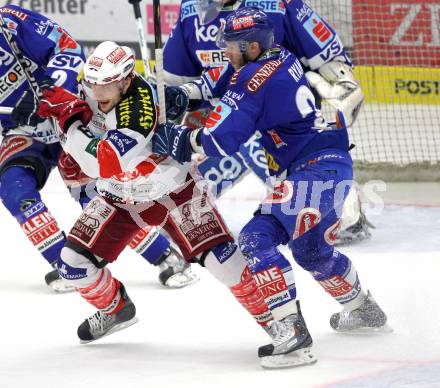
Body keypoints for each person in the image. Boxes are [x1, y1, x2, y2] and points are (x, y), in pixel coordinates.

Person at [153, 8, 389, 368]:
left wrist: (178, 137)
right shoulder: (279, 56)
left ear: (250, 46)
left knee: (255, 238)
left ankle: (292, 335)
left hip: (312, 172)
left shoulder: (253, 81)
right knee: (312, 253)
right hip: (329, 167)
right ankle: (364, 310)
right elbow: (218, 79)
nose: (226, 53)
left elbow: (219, 140)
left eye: (231, 46)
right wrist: (184, 93)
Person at [36, 41, 275, 360]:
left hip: (174, 192)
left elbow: (99, 163)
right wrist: (56, 106)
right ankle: (116, 310)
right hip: (119, 197)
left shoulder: (139, 105)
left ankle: (280, 323)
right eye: (92, 82)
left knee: (225, 265)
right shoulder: (89, 89)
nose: (97, 91)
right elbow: (66, 105)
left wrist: (71, 128)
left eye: (106, 84)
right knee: (72, 263)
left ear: (124, 80)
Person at [0, 5, 197, 292]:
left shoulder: (9, 21)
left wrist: (58, 93)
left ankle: (163, 256)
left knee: (97, 197)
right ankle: (64, 265)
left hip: (68, 114)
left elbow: (65, 47)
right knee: (14, 189)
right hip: (23, 132)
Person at [163, 0, 371, 244]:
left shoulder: (279, 4)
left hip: (279, 127)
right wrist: (179, 98)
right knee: (186, 197)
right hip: (228, 117)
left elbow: (328, 57)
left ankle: (331, 197)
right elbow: (178, 80)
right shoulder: (191, 10)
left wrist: (342, 84)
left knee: (312, 213)